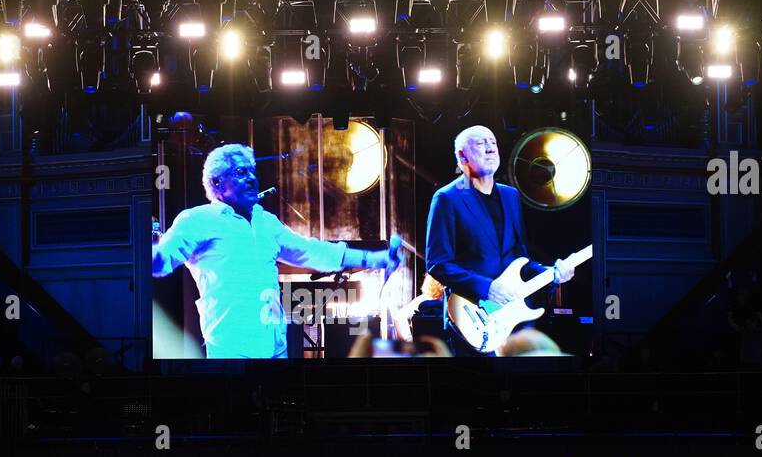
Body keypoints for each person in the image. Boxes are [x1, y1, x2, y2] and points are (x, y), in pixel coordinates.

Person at [152, 142, 402, 358]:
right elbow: (162, 261)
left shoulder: (266, 222)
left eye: (252, 171)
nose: (251, 178)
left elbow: (313, 251)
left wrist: (375, 259)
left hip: (276, 345)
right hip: (231, 347)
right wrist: (149, 249)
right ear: (217, 183)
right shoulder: (197, 220)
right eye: (241, 172)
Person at [424, 125, 576, 355]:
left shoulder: (510, 195)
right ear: (461, 156)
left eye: (492, 143)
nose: (489, 148)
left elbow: (520, 258)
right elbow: (437, 263)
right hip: (472, 318)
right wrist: (487, 287)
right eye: (480, 143)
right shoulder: (447, 198)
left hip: (512, 316)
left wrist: (552, 272)